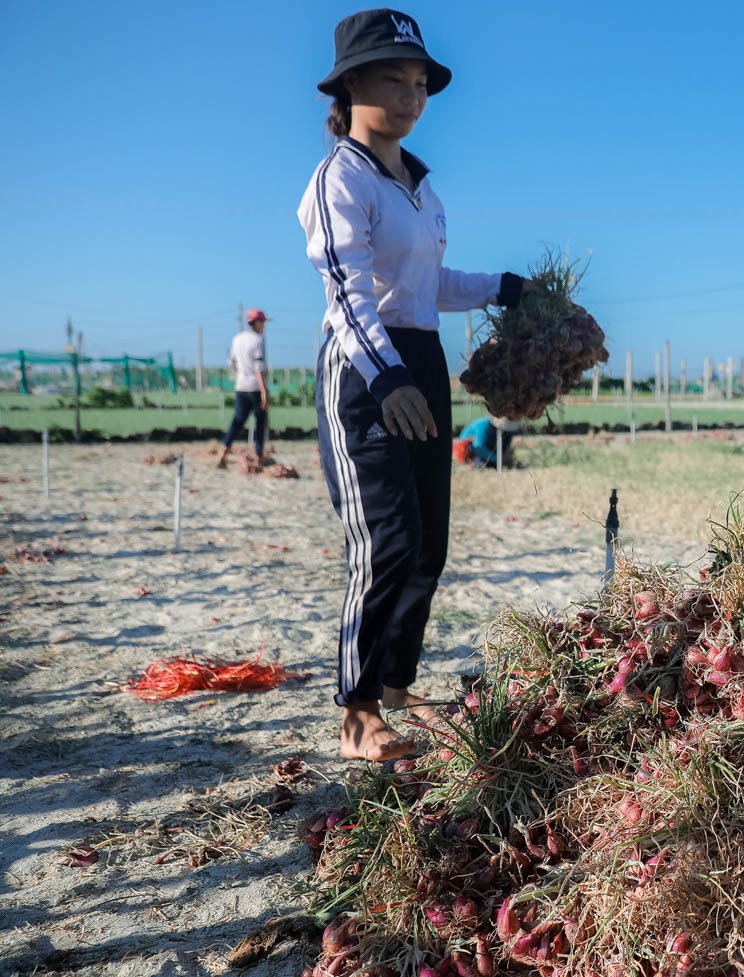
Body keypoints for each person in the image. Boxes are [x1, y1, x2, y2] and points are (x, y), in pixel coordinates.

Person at [298, 8, 526, 761]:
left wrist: (504, 287)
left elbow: (430, 285)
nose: (411, 94)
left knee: (428, 544)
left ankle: (397, 691)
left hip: (421, 360)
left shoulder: (420, 187)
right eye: (393, 78)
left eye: (420, 81)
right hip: (366, 369)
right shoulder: (340, 178)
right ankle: (357, 715)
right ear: (350, 84)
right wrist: (386, 374)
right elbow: (348, 291)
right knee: (385, 539)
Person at [216, 310, 270, 467]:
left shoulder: (237, 339)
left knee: (238, 421)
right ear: (258, 322)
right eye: (263, 322)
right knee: (261, 421)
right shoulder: (258, 340)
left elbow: (231, 362)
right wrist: (264, 391)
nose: (264, 326)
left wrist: (242, 371)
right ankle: (259, 456)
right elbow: (259, 367)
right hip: (255, 387)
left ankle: (223, 450)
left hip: (241, 386)